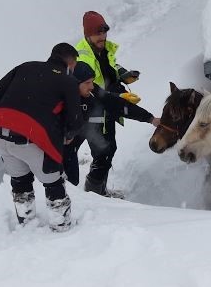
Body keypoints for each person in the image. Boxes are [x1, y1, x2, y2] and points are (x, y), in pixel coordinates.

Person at [0, 42, 84, 231]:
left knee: (20, 179)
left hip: (1, 132)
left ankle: (26, 222)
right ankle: (61, 226)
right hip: (30, 137)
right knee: (53, 181)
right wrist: (70, 134)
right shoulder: (68, 81)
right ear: (70, 63)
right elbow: (75, 118)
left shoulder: (26, 66)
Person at [74, 10, 149, 195]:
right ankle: (93, 193)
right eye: (97, 33)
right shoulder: (83, 57)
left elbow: (110, 66)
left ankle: (98, 190)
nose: (102, 37)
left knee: (108, 149)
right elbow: (92, 90)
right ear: (87, 35)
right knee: (103, 152)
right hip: (92, 112)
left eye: (104, 32)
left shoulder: (103, 49)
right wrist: (119, 97)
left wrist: (123, 74)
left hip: (106, 109)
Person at [64, 62, 161, 191]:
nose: (92, 86)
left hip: (91, 126)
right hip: (67, 133)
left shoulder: (93, 91)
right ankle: (66, 193)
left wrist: (150, 118)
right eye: (87, 83)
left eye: (92, 82)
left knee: (105, 153)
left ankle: (94, 192)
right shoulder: (60, 96)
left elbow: (116, 104)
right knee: (68, 169)